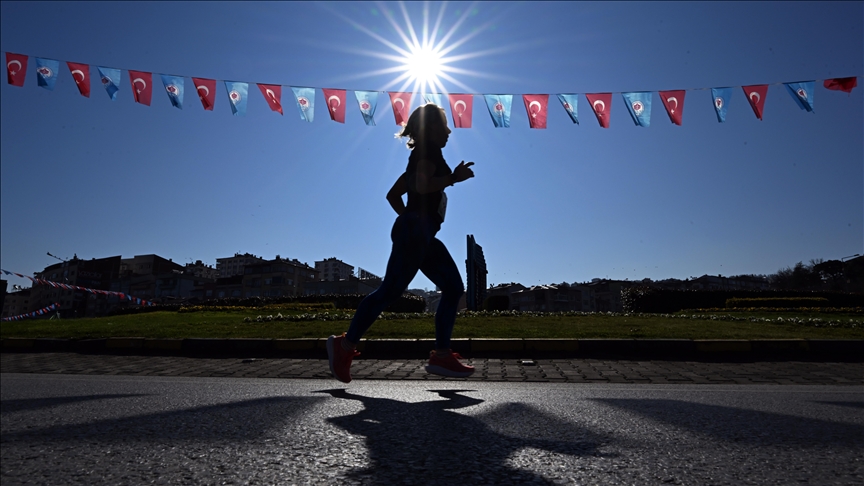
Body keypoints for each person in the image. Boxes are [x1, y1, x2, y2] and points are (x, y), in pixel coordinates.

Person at [327, 103, 476, 383]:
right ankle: (343, 346)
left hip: (420, 232)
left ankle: (442, 355)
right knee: (390, 291)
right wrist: (452, 179)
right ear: (429, 128)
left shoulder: (424, 156)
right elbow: (420, 186)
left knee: (453, 288)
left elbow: (394, 195)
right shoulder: (428, 152)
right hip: (416, 231)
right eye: (443, 124)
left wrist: (410, 220)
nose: (448, 130)